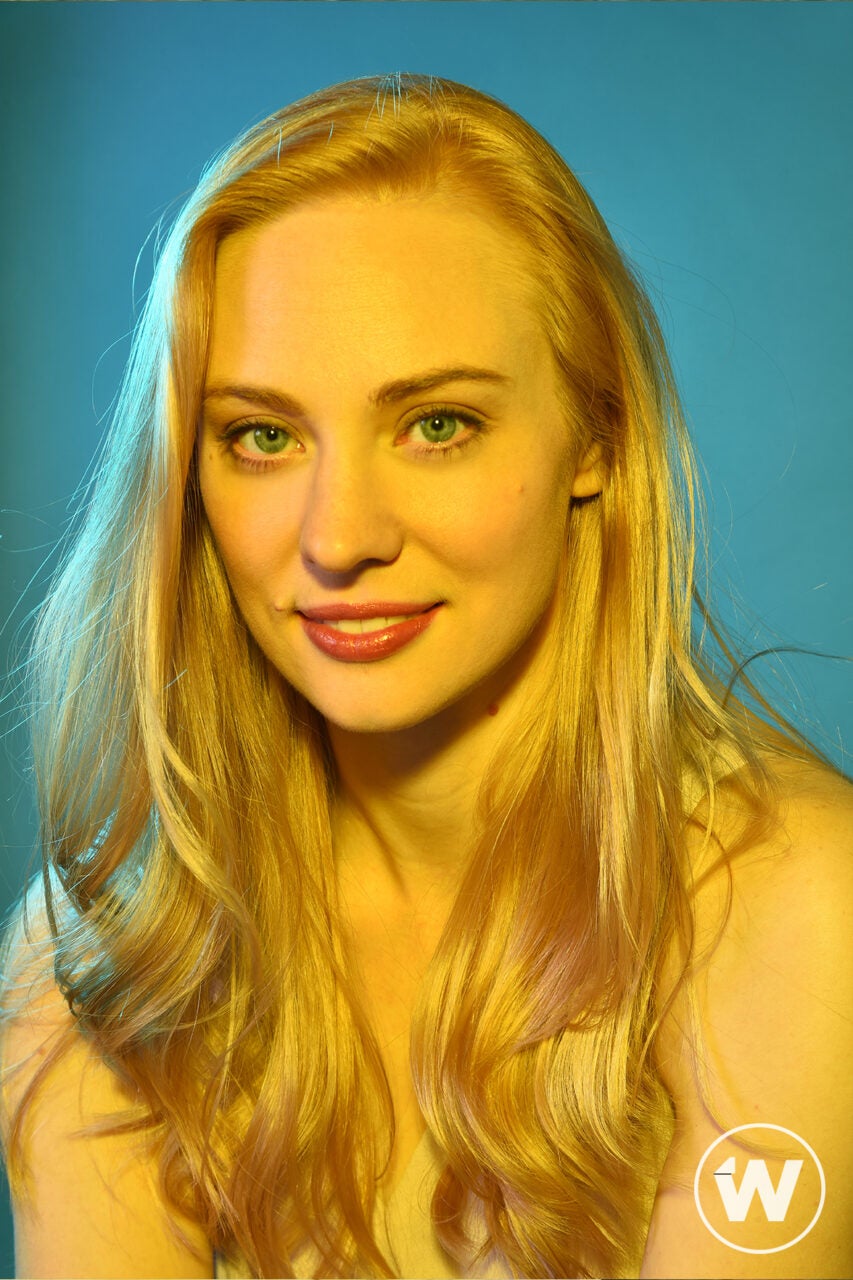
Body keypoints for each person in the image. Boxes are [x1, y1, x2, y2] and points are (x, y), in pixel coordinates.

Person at [1, 72, 851, 1280]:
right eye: (262, 436)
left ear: (597, 436)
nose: (338, 536)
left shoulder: (801, 907)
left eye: (436, 423)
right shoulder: (106, 962)